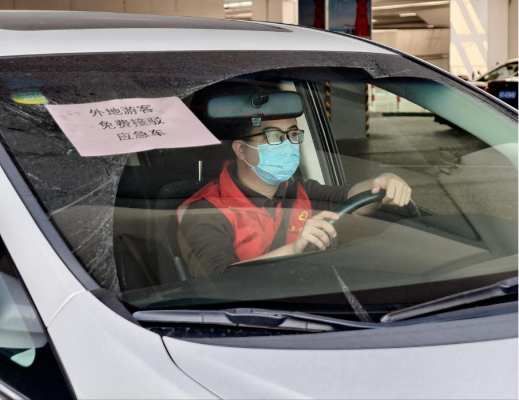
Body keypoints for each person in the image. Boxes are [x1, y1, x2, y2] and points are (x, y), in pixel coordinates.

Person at [177, 91, 412, 279]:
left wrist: (381, 182)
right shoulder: (206, 211)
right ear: (240, 150)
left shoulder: (299, 190)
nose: (286, 144)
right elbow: (218, 280)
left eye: (291, 135)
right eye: (273, 136)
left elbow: (353, 201)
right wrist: (292, 250)